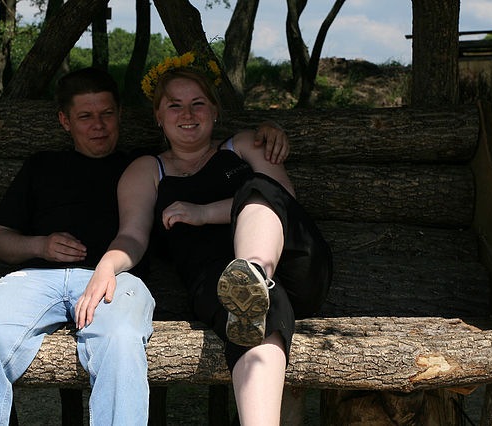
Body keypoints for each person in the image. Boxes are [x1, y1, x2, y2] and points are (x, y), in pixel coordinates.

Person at [0, 67, 291, 426]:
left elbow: (195, 149)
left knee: (122, 340)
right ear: (65, 121)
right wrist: (41, 245)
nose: (99, 125)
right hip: (35, 278)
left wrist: (267, 130)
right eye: (85, 116)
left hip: (118, 280)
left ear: (120, 114)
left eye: (107, 114)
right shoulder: (41, 166)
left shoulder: (142, 164)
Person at [81, 53, 332, 425]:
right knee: (261, 308)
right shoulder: (147, 170)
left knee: (259, 188)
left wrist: (202, 213)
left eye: (198, 103)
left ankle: (252, 275)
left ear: (214, 111)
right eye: (174, 105)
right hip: (214, 282)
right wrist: (107, 265)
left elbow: (283, 199)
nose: (187, 113)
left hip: (295, 263)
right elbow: (131, 236)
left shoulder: (243, 144)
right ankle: (251, 293)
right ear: (158, 116)